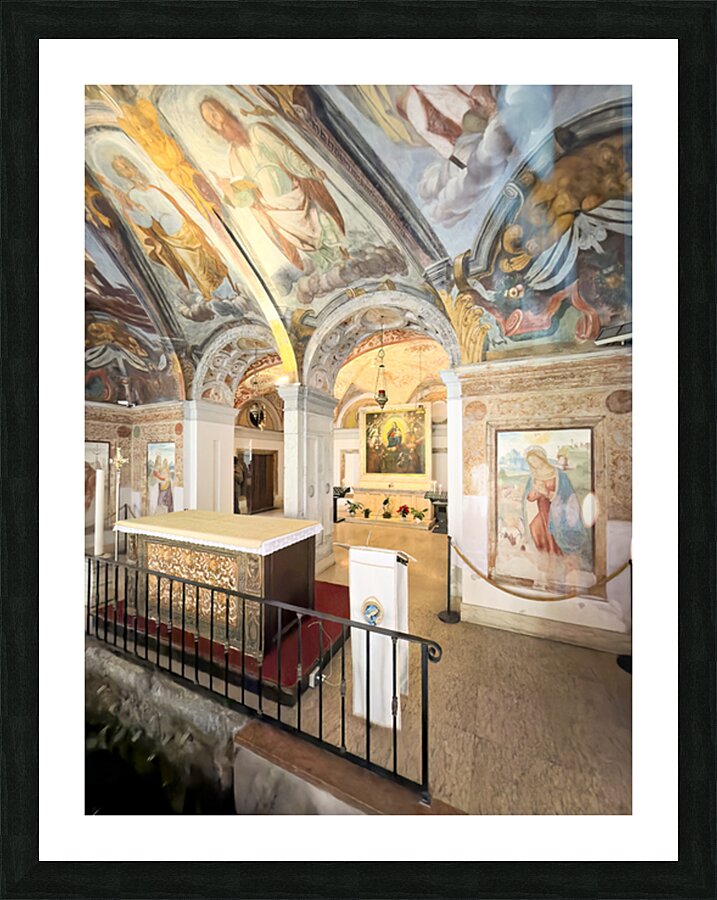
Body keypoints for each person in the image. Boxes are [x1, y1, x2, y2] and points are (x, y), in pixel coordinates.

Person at [199, 97, 346, 271]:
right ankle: (329, 270)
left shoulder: (257, 131)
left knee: (323, 225)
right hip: (276, 212)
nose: (216, 119)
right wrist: (230, 191)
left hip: (296, 195)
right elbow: (248, 195)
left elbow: (286, 154)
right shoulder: (233, 156)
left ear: (224, 109)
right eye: (211, 119)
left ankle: (343, 258)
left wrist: (309, 170)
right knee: (307, 244)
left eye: (215, 112)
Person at [522, 446, 587, 557]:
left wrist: (547, 493)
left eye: (535, 460)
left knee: (555, 533)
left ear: (541, 457)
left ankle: (559, 557)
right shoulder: (533, 477)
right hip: (540, 511)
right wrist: (535, 492)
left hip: (557, 510)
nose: (534, 464)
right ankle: (547, 558)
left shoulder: (560, 475)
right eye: (531, 462)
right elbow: (527, 498)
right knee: (535, 529)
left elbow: (567, 495)